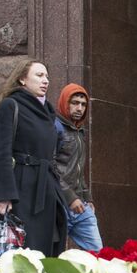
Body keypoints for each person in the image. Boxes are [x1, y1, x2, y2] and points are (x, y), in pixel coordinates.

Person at [0, 60, 62, 256]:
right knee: (27, 248)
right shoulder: (11, 105)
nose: (45, 80)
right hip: (23, 189)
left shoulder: (47, 110)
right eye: (39, 75)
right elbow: (2, 153)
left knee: (49, 246)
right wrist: (3, 195)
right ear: (22, 79)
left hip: (46, 188)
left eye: (47, 76)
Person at [54, 82, 101, 252]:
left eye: (83, 104)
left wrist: (87, 198)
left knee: (98, 254)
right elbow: (51, 167)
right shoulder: (55, 127)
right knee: (52, 258)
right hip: (58, 203)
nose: (79, 108)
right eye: (74, 103)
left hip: (80, 204)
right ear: (65, 102)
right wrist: (70, 197)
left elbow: (79, 170)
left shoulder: (79, 131)